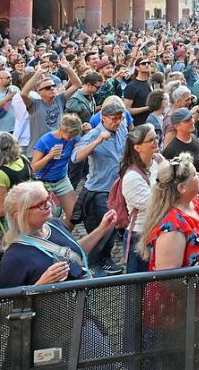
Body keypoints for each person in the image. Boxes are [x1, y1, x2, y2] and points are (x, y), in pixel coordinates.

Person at [141, 153, 199, 369]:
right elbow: (169, 277)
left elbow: (194, 244)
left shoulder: (194, 204)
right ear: (180, 188)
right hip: (177, 320)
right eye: (195, 175)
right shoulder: (172, 227)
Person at [0, 180, 118, 288]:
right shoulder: (13, 258)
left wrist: (101, 229)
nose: (48, 205)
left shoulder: (55, 224)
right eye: (41, 204)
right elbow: (5, 304)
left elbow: (74, 251)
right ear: (19, 215)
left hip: (79, 307)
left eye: (48, 198)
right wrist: (41, 285)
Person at [70, 98, 128, 272]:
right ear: (103, 117)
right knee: (104, 227)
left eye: (120, 118)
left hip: (116, 188)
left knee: (113, 227)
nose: (117, 122)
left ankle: (105, 259)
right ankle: (95, 264)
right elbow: (75, 157)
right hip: (98, 190)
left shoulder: (122, 129)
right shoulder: (94, 134)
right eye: (113, 118)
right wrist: (97, 142)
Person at [120, 124, 159, 273]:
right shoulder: (131, 178)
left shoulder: (155, 162)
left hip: (156, 230)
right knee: (137, 288)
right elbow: (154, 205)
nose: (156, 142)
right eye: (151, 140)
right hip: (140, 235)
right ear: (137, 147)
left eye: (156, 138)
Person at [32, 113, 82, 224]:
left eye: (73, 135)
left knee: (74, 215)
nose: (70, 137)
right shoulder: (45, 141)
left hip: (62, 179)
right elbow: (33, 168)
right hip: (43, 182)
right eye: (67, 133)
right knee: (46, 218)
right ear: (60, 128)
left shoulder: (74, 138)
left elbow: (80, 151)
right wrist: (49, 156)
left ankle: (64, 237)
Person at [161, 107, 199, 174]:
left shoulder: (194, 138)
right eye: (187, 120)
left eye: (191, 117)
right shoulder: (170, 151)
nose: (192, 121)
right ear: (177, 126)